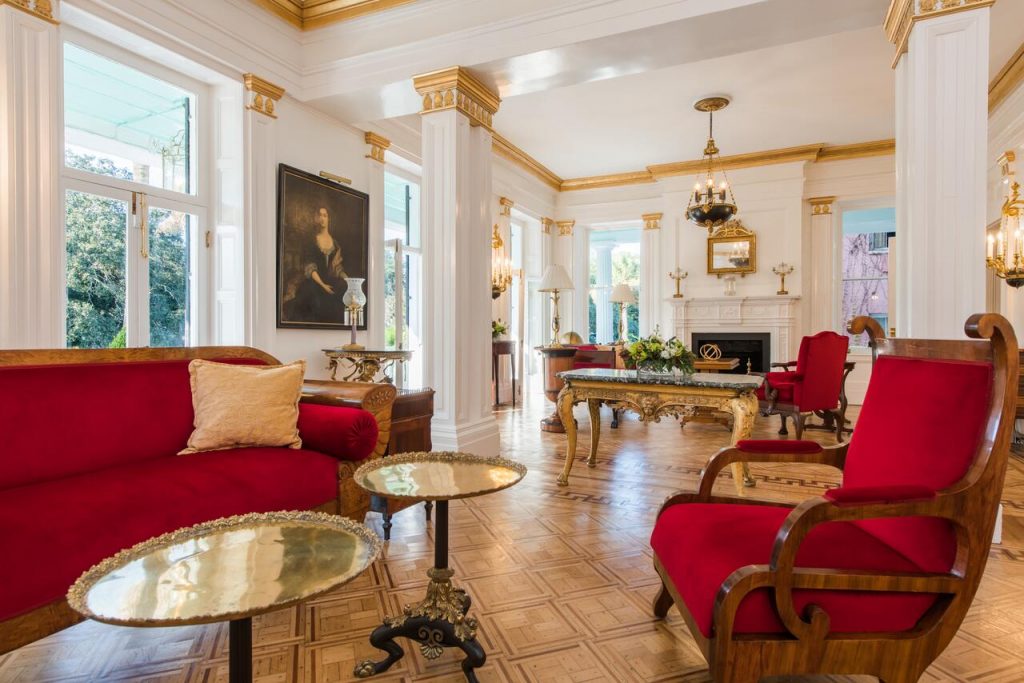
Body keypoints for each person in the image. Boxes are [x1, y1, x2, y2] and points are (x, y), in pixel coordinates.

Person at [287, 206, 347, 323]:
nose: (322, 218)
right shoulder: (312, 240)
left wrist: (349, 281)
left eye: (325, 215)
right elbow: (310, 267)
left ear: (329, 219)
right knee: (312, 296)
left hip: (331, 282)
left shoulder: (335, 244)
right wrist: (323, 285)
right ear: (316, 218)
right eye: (319, 215)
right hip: (315, 282)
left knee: (342, 291)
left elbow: (338, 269)